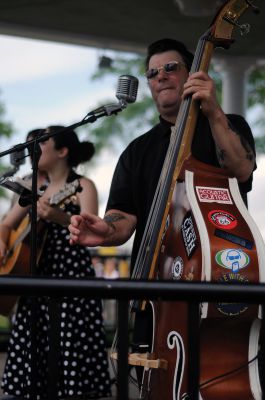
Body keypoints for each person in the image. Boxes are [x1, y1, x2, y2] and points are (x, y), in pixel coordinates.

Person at [68, 37, 256, 376]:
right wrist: (106, 229)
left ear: (192, 73)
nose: (161, 76)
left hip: (216, 281)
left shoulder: (227, 126)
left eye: (171, 68)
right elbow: (123, 217)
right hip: (154, 294)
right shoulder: (137, 151)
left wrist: (212, 109)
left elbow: (241, 168)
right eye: (152, 73)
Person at [0, 126, 111, 399]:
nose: (35, 146)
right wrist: (3, 242)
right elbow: (6, 225)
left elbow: (90, 227)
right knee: (34, 337)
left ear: (62, 151)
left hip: (70, 273)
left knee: (72, 337)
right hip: (36, 274)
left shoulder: (83, 185)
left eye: (43, 141)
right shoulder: (36, 188)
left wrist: (59, 217)